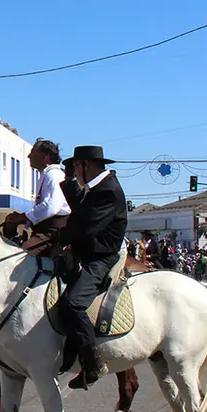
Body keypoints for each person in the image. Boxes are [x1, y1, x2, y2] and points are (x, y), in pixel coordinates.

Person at [53, 146, 128, 389]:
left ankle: (92, 363)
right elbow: (79, 208)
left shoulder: (107, 190)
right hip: (87, 252)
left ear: (87, 165)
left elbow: (85, 227)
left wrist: (59, 239)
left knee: (73, 304)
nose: (74, 171)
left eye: (76, 166)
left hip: (101, 258)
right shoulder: (95, 189)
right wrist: (69, 181)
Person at [3, 139, 70, 253]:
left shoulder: (54, 175)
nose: (29, 156)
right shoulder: (46, 175)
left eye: (33, 153)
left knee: (18, 257)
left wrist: (23, 217)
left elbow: (51, 207)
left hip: (53, 232)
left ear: (46, 156)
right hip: (44, 230)